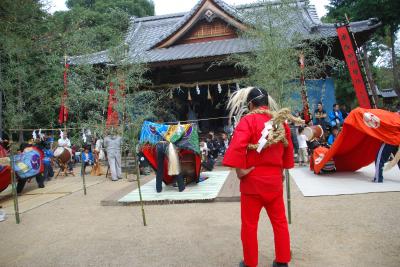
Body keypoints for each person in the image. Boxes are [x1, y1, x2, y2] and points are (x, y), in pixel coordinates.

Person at [223, 87, 302, 267]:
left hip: (252, 182)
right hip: (274, 181)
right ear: (267, 102)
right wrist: (281, 169)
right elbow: (287, 149)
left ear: (250, 104)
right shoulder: (279, 122)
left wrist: (240, 170)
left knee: (250, 226)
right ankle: (282, 261)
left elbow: (237, 147)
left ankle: (251, 263)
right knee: (280, 222)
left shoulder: (247, 121)